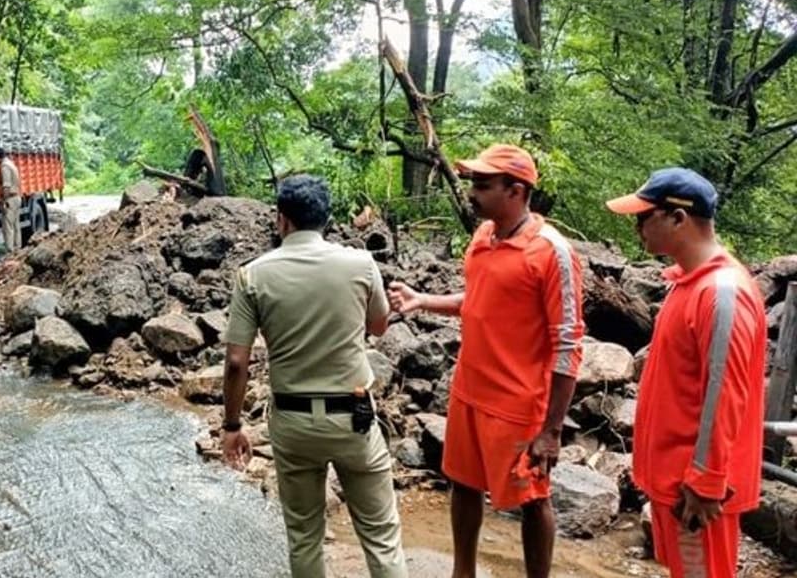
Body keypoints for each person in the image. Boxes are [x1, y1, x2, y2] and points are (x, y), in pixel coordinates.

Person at [387, 144, 584, 578]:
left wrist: (551, 431)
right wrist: (422, 301)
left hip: (517, 403)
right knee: (463, 482)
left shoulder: (553, 251)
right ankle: (463, 572)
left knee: (533, 498)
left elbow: (570, 344)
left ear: (516, 190)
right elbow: (477, 301)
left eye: (482, 184)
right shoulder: (482, 238)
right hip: (469, 392)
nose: (471, 192)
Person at [220, 174, 407, 578]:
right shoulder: (360, 263)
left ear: (280, 219)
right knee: (382, 538)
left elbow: (236, 361)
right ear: (327, 219)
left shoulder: (252, 275)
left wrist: (232, 426)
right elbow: (378, 326)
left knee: (305, 537)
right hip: (353, 417)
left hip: (292, 421)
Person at [606, 168, 765, 578]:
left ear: (678, 218)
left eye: (644, 217)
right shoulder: (689, 283)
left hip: (695, 489)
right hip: (675, 479)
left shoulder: (720, 293)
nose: (637, 227)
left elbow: (725, 392)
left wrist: (707, 481)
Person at [0, 146, 21, 251]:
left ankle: (10, 251)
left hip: (10, 199)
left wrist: (3, 200)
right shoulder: (11, 164)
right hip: (16, 197)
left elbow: (6, 185)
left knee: (8, 227)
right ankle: (18, 248)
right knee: (15, 225)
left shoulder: (4, 166)